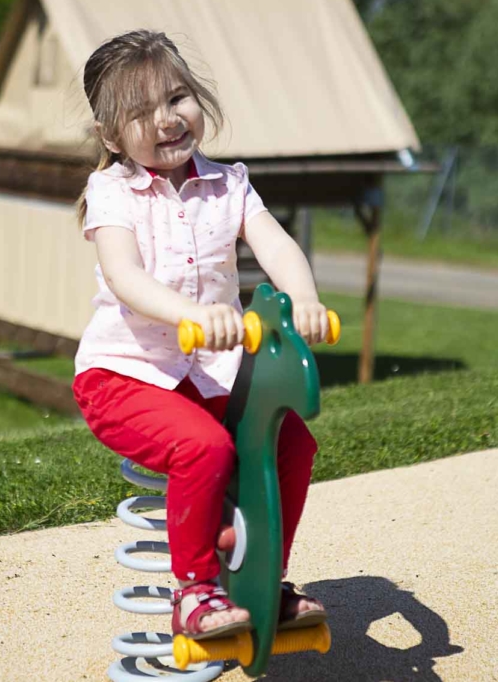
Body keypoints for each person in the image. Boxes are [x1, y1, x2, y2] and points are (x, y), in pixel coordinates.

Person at [72, 29, 329, 641]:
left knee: (292, 441)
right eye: (141, 112)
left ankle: (267, 577)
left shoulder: (230, 184)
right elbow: (125, 275)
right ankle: (194, 594)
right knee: (204, 449)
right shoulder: (111, 191)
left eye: (178, 97)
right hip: (125, 375)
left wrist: (305, 298)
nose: (166, 119)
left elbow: (274, 243)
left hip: (211, 376)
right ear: (112, 136)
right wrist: (186, 315)